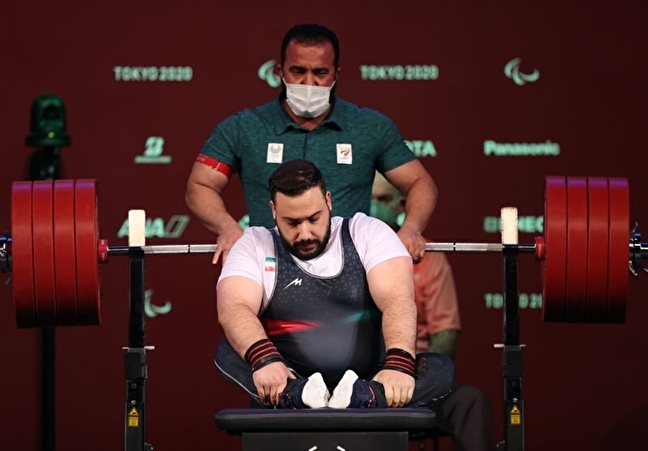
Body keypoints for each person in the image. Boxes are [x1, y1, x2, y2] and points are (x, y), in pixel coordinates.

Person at [185, 23, 437, 265]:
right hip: (267, 269)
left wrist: (411, 228)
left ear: (336, 75)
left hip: (351, 273)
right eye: (297, 71)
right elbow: (201, 185)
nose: (308, 83)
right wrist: (227, 228)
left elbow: (420, 183)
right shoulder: (244, 127)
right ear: (280, 71)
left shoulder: (370, 127)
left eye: (320, 73)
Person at [214, 159, 454, 410]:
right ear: (273, 210)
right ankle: (299, 395)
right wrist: (265, 360)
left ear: (328, 201)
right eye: (292, 223)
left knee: (439, 369)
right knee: (229, 352)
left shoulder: (367, 232)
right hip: (288, 377)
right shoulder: (254, 244)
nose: (305, 233)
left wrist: (398, 364)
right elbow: (235, 307)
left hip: (370, 377)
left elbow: (397, 299)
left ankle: (364, 397)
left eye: (314, 219)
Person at [371, 172, 496, 451]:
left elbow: (446, 333)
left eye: (383, 199)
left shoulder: (428, 255)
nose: (375, 207)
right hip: (359, 377)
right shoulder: (344, 251)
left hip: (415, 376)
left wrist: (421, 379)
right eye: (370, 199)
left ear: (401, 205)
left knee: (471, 401)